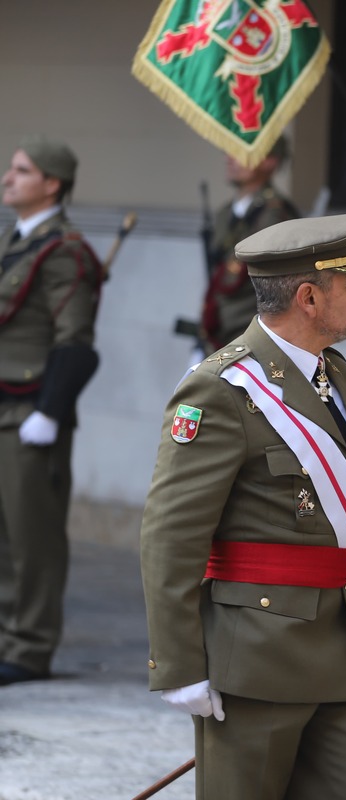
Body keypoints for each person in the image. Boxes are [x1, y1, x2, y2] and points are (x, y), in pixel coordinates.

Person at [139, 213, 346, 799]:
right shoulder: (222, 389)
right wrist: (179, 663)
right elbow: (172, 534)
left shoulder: (334, 374)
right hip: (257, 655)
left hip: (345, 645)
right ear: (309, 297)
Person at [0, 134, 103, 685]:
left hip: (28, 412)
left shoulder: (64, 251)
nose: (7, 178)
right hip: (3, 406)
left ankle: (30, 646)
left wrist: (51, 411)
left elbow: (75, 341)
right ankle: (5, 637)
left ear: (51, 183)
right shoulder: (14, 241)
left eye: (20, 170)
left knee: (30, 536)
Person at [199, 135, 299, 352]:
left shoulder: (276, 216)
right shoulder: (225, 214)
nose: (230, 158)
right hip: (218, 333)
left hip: (251, 339)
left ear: (269, 161)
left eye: (241, 152)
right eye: (229, 151)